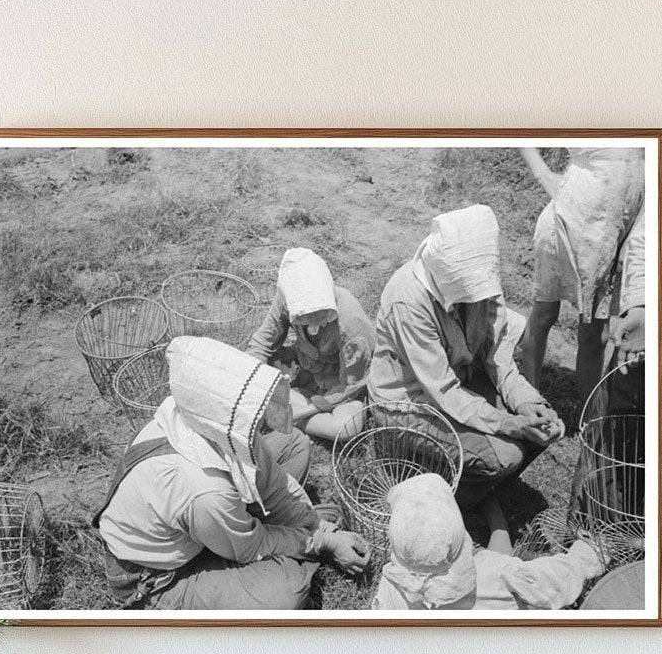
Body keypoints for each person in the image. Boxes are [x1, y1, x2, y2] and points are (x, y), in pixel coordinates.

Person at [94, 336, 370, 610]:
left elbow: (274, 484)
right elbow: (251, 546)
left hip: (204, 524)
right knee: (285, 593)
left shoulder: (203, 420)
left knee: (293, 444)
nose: (261, 418)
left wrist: (320, 528)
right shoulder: (204, 489)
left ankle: (268, 535)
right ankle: (261, 557)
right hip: (157, 574)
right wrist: (321, 543)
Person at [369, 204, 564, 504]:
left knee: (546, 426)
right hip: (411, 403)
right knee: (507, 455)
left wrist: (526, 402)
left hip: (460, 382)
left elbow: (496, 357)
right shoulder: (408, 300)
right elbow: (441, 390)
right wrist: (506, 422)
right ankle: (452, 494)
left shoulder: (480, 282)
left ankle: (479, 486)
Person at [518, 146, 645, 405]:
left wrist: (633, 236)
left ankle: (588, 418)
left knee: (595, 334)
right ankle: (529, 401)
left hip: (617, 229)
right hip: (570, 217)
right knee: (544, 313)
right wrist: (543, 174)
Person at [372, 474, 603, 611]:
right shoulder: (499, 572)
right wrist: (587, 554)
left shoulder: (391, 584)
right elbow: (555, 578)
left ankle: (495, 514)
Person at [247, 247, 375, 444]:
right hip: (306, 366)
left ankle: (276, 413)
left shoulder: (351, 322)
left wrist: (304, 411)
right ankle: (274, 403)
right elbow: (263, 343)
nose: (314, 326)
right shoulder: (287, 298)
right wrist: (250, 378)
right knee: (248, 365)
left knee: (346, 428)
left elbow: (352, 385)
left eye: (321, 318)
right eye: (305, 319)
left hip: (341, 385)